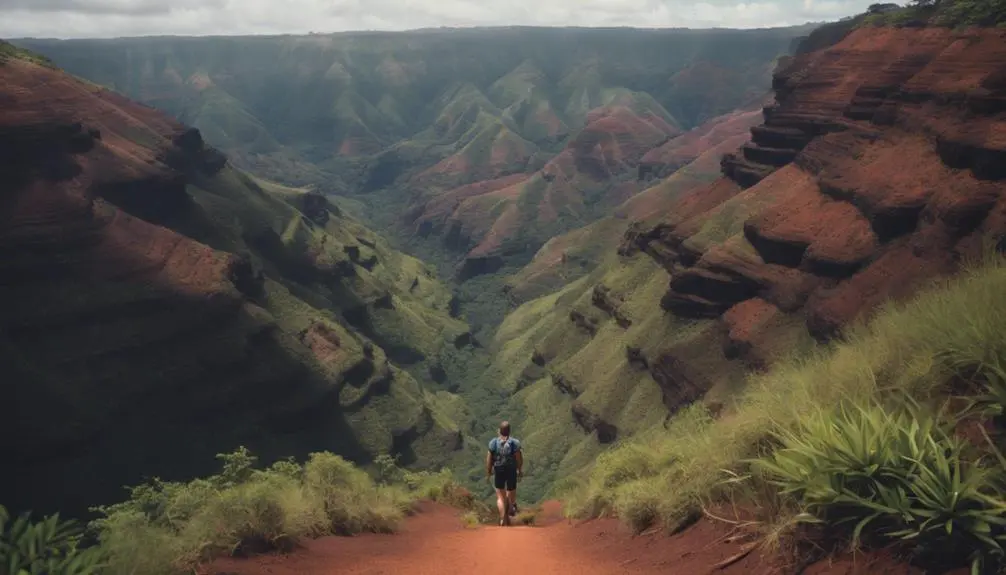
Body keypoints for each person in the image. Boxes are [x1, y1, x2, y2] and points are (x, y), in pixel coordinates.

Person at [485, 420, 523, 526]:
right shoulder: (515, 443)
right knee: (511, 493)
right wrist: (519, 470)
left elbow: (489, 459)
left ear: (499, 431)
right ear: (509, 431)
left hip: (499, 470)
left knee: (500, 497)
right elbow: (519, 458)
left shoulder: (493, 443)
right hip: (511, 470)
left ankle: (502, 518)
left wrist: (489, 472)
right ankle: (510, 509)